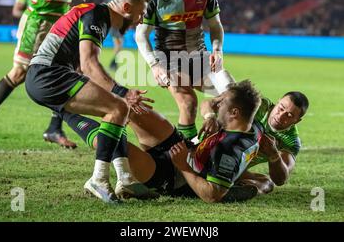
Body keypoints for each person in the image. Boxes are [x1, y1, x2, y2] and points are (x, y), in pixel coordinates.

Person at [25, 0, 156, 203]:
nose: (140, 20)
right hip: (48, 75)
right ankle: (99, 180)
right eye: (140, 14)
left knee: (115, 113)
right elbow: (89, 64)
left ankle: (125, 179)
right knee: (119, 106)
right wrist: (123, 91)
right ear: (125, 7)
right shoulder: (97, 15)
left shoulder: (96, 14)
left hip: (46, 77)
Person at [62, 80, 262, 202]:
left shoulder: (230, 150)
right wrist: (210, 116)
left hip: (175, 177)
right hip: (181, 147)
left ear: (234, 112)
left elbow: (212, 195)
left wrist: (183, 165)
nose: (216, 103)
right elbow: (207, 103)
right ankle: (74, 88)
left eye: (221, 102)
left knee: (113, 143)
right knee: (130, 107)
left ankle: (61, 109)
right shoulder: (249, 125)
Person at [0, 0, 85, 149]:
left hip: (56, 27)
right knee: (19, 74)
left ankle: (54, 129)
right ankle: (54, 128)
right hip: (39, 24)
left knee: (69, 72)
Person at [136, 0, 232, 142]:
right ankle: (186, 159)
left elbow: (215, 26)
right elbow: (140, 35)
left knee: (232, 95)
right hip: (169, 59)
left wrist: (217, 49)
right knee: (188, 103)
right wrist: (154, 65)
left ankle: (209, 145)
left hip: (199, 55)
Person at [200, 90, 309, 200]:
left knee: (267, 183)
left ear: (297, 121)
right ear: (278, 101)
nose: (281, 116)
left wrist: (274, 155)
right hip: (208, 154)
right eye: (281, 108)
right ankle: (218, 181)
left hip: (233, 169)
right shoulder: (257, 105)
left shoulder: (291, 140)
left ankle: (235, 190)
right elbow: (209, 103)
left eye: (289, 115)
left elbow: (281, 180)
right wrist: (209, 117)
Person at [105, 0, 125, 71]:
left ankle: (114, 63)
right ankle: (113, 63)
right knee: (118, 44)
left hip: (119, 26)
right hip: (114, 26)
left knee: (119, 45)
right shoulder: (111, 2)